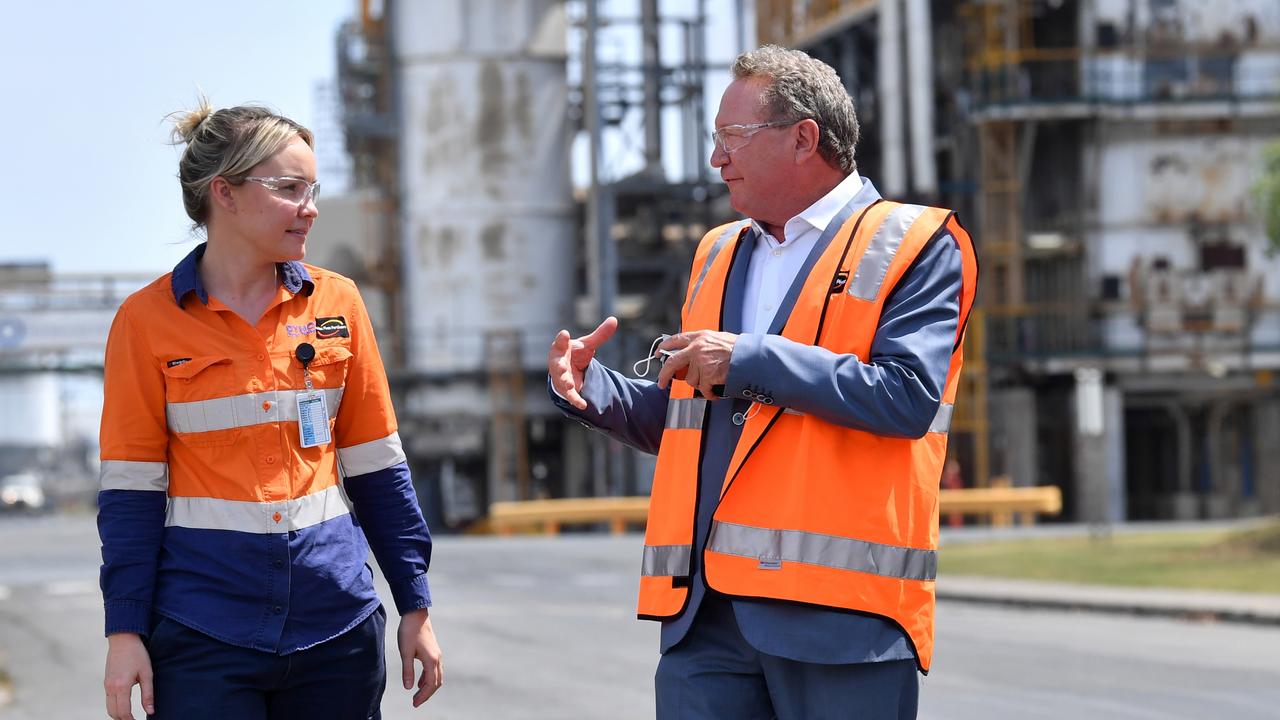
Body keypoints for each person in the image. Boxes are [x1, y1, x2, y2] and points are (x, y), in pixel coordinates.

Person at [548, 45, 976, 719]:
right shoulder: (718, 252)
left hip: (839, 623)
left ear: (804, 138)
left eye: (731, 138)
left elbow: (906, 398)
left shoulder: (915, 245)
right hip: (705, 623)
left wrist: (750, 358)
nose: (717, 160)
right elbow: (693, 423)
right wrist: (596, 391)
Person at [98, 100, 443, 720]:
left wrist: (414, 606)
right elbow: (130, 493)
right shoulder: (144, 324)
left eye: (312, 188)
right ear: (223, 193)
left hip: (336, 626)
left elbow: (378, 469)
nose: (309, 206)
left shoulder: (339, 302)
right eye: (288, 189)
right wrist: (124, 632)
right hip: (203, 632)